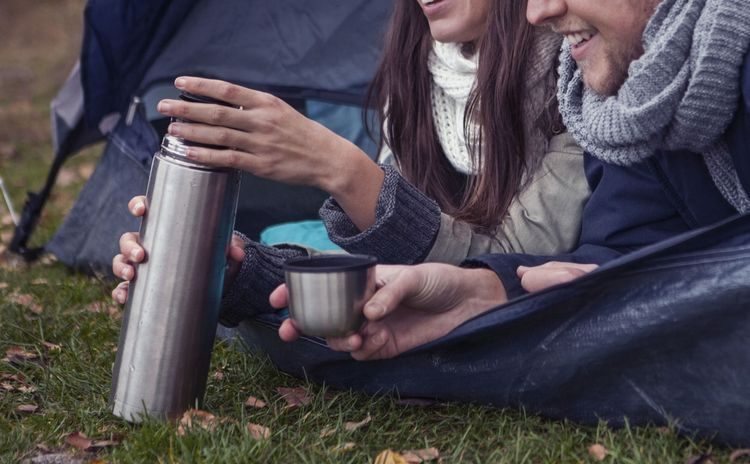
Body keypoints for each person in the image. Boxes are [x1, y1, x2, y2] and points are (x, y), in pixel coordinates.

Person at [266, 0, 750, 360]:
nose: (538, 10)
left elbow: (535, 251)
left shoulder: (584, 87)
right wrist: (258, 274)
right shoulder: (625, 95)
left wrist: (345, 172)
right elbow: (616, 258)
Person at [111, 0, 590, 324]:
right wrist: (237, 275)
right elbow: (396, 272)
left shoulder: (580, 67)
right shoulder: (422, 64)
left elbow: (512, 268)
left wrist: (343, 170)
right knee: (277, 243)